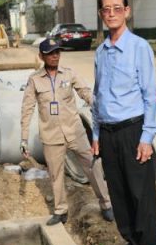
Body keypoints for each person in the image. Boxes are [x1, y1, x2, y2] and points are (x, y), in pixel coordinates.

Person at [90, 0, 156, 245]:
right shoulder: (100, 52)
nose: (112, 14)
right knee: (118, 191)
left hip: (133, 129)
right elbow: (97, 96)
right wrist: (96, 133)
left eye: (117, 8)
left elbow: (149, 95)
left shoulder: (139, 47)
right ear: (101, 14)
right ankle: (131, 242)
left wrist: (147, 137)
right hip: (108, 134)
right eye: (106, 9)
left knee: (140, 192)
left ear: (127, 12)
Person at [20, 37, 113, 225]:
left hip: (75, 131)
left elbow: (85, 91)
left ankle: (106, 204)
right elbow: (27, 109)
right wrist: (24, 138)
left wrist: (97, 105)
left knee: (92, 166)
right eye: (50, 53)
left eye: (57, 52)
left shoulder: (69, 74)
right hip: (51, 136)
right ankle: (60, 211)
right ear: (41, 56)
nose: (55, 56)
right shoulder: (34, 80)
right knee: (56, 174)